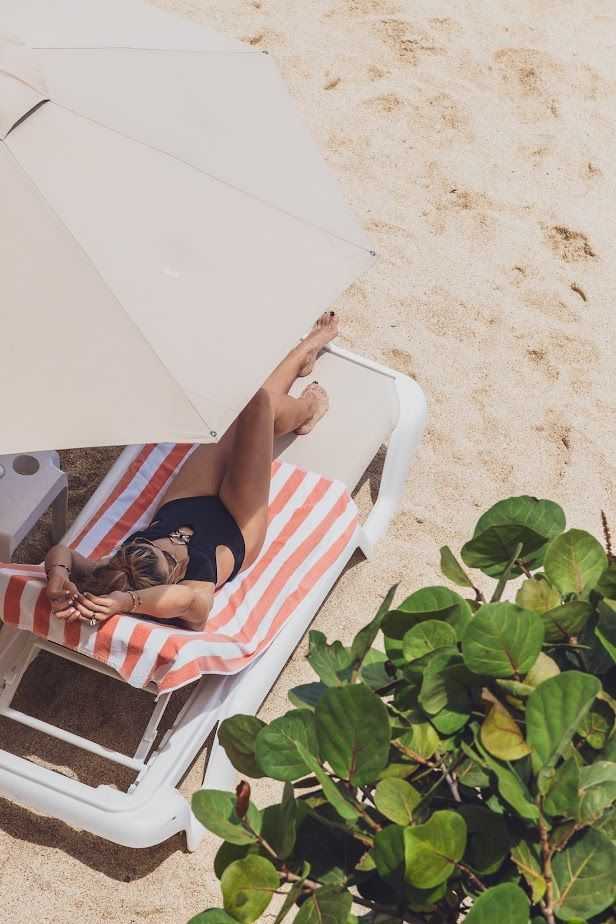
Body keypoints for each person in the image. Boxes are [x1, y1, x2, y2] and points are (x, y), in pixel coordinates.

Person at [44, 312, 337, 632]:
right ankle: (307, 409)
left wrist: (57, 575)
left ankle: (301, 355)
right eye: (170, 560)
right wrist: (127, 603)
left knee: (242, 408)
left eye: (150, 545)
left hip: (186, 501)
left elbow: (64, 553)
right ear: (171, 580)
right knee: (260, 404)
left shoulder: (115, 570)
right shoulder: (194, 593)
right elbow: (185, 604)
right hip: (238, 524)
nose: (173, 544)